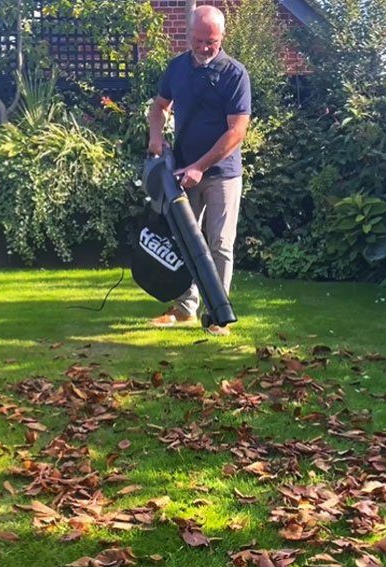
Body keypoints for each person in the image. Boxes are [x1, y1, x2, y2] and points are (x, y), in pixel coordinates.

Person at [146, 5, 251, 336]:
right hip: (181, 171)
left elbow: (237, 131)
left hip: (222, 174)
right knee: (185, 241)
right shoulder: (177, 68)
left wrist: (200, 167)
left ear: (222, 37)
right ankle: (185, 308)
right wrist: (156, 137)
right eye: (200, 40)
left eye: (213, 41)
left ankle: (218, 314)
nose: (206, 47)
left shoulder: (235, 74)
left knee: (219, 244)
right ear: (188, 35)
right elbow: (158, 107)